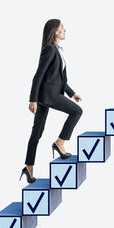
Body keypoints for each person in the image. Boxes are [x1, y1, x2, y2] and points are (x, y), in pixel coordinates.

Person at [20, 19, 83, 183]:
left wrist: (72, 93)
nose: (64, 29)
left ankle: (28, 167)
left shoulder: (58, 50)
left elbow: (60, 80)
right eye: (62, 27)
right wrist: (32, 99)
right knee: (77, 111)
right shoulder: (49, 49)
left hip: (47, 95)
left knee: (37, 132)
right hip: (48, 95)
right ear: (54, 30)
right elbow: (39, 74)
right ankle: (60, 143)